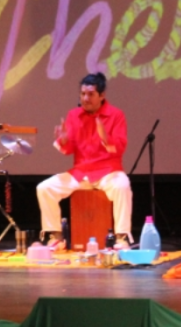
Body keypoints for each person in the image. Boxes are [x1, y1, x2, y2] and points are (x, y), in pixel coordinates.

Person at [36, 72, 133, 250]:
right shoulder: (74, 115)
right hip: (81, 173)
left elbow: (119, 148)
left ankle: (121, 237)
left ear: (102, 96)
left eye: (90, 94)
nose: (85, 98)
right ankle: (56, 236)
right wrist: (64, 140)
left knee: (122, 186)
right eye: (82, 94)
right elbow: (68, 150)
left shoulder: (116, 115)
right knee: (45, 188)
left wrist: (105, 138)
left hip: (108, 172)